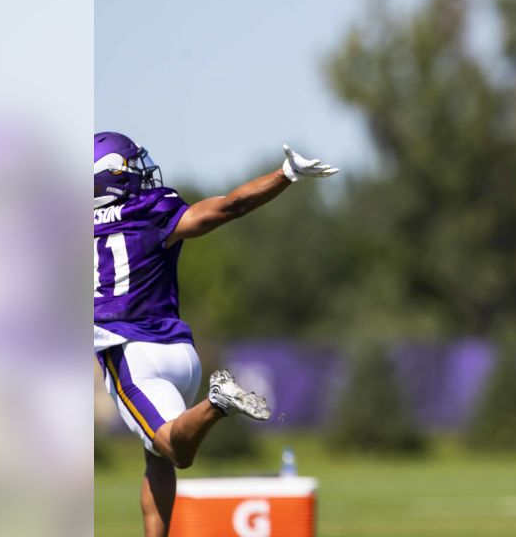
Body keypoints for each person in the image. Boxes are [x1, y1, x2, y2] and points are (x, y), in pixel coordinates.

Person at [94, 132, 338, 536]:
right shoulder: (152, 210)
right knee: (157, 457)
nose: (142, 172)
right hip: (180, 354)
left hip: (129, 352)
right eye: (132, 166)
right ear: (112, 176)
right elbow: (230, 207)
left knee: (173, 448)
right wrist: (286, 174)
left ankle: (217, 403)